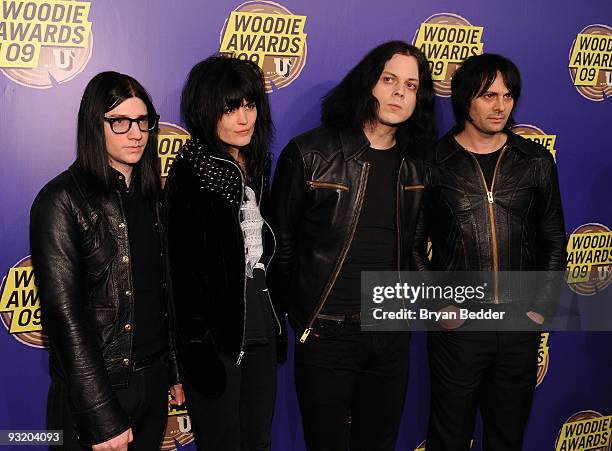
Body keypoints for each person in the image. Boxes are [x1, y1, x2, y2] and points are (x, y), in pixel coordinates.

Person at [269, 41, 436, 450]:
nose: (400, 92)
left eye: (411, 85)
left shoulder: (418, 166)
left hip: (390, 335)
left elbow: (415, 248)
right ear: (368, 84)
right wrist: (301, 317)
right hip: (327, 333)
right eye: (390, 79)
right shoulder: (310, 154)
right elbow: (280, 247)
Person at [412, 54, 567, 450]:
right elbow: (411, 246)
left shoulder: (535, 161)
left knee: (507, 439)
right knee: (447, 439)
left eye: (508, 96)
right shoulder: (433, 163)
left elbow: (553, 239)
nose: (500, 106)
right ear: (466, 99)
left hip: (519, 325)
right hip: (459, 329)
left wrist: (539, 310)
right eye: (488, 95)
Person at [30, 71, 184, 451]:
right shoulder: (61, 200)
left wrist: (175, 371)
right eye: (120, 121)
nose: (135, 133)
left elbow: (164, 294)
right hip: (97, 392)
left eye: (143, 121)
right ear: (94, 124)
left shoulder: (154, 197)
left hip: (152, 383)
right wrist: (101, 413)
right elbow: (64, 316)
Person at [164, 56, 283, 451]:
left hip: (262, 332)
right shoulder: (192, 172)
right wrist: (196, 353)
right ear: (206, 111)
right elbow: (181, 273)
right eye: (230, 109)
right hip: (218, 346)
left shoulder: (258, 165)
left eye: (249, 105)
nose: (243, 118)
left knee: (258, 442)